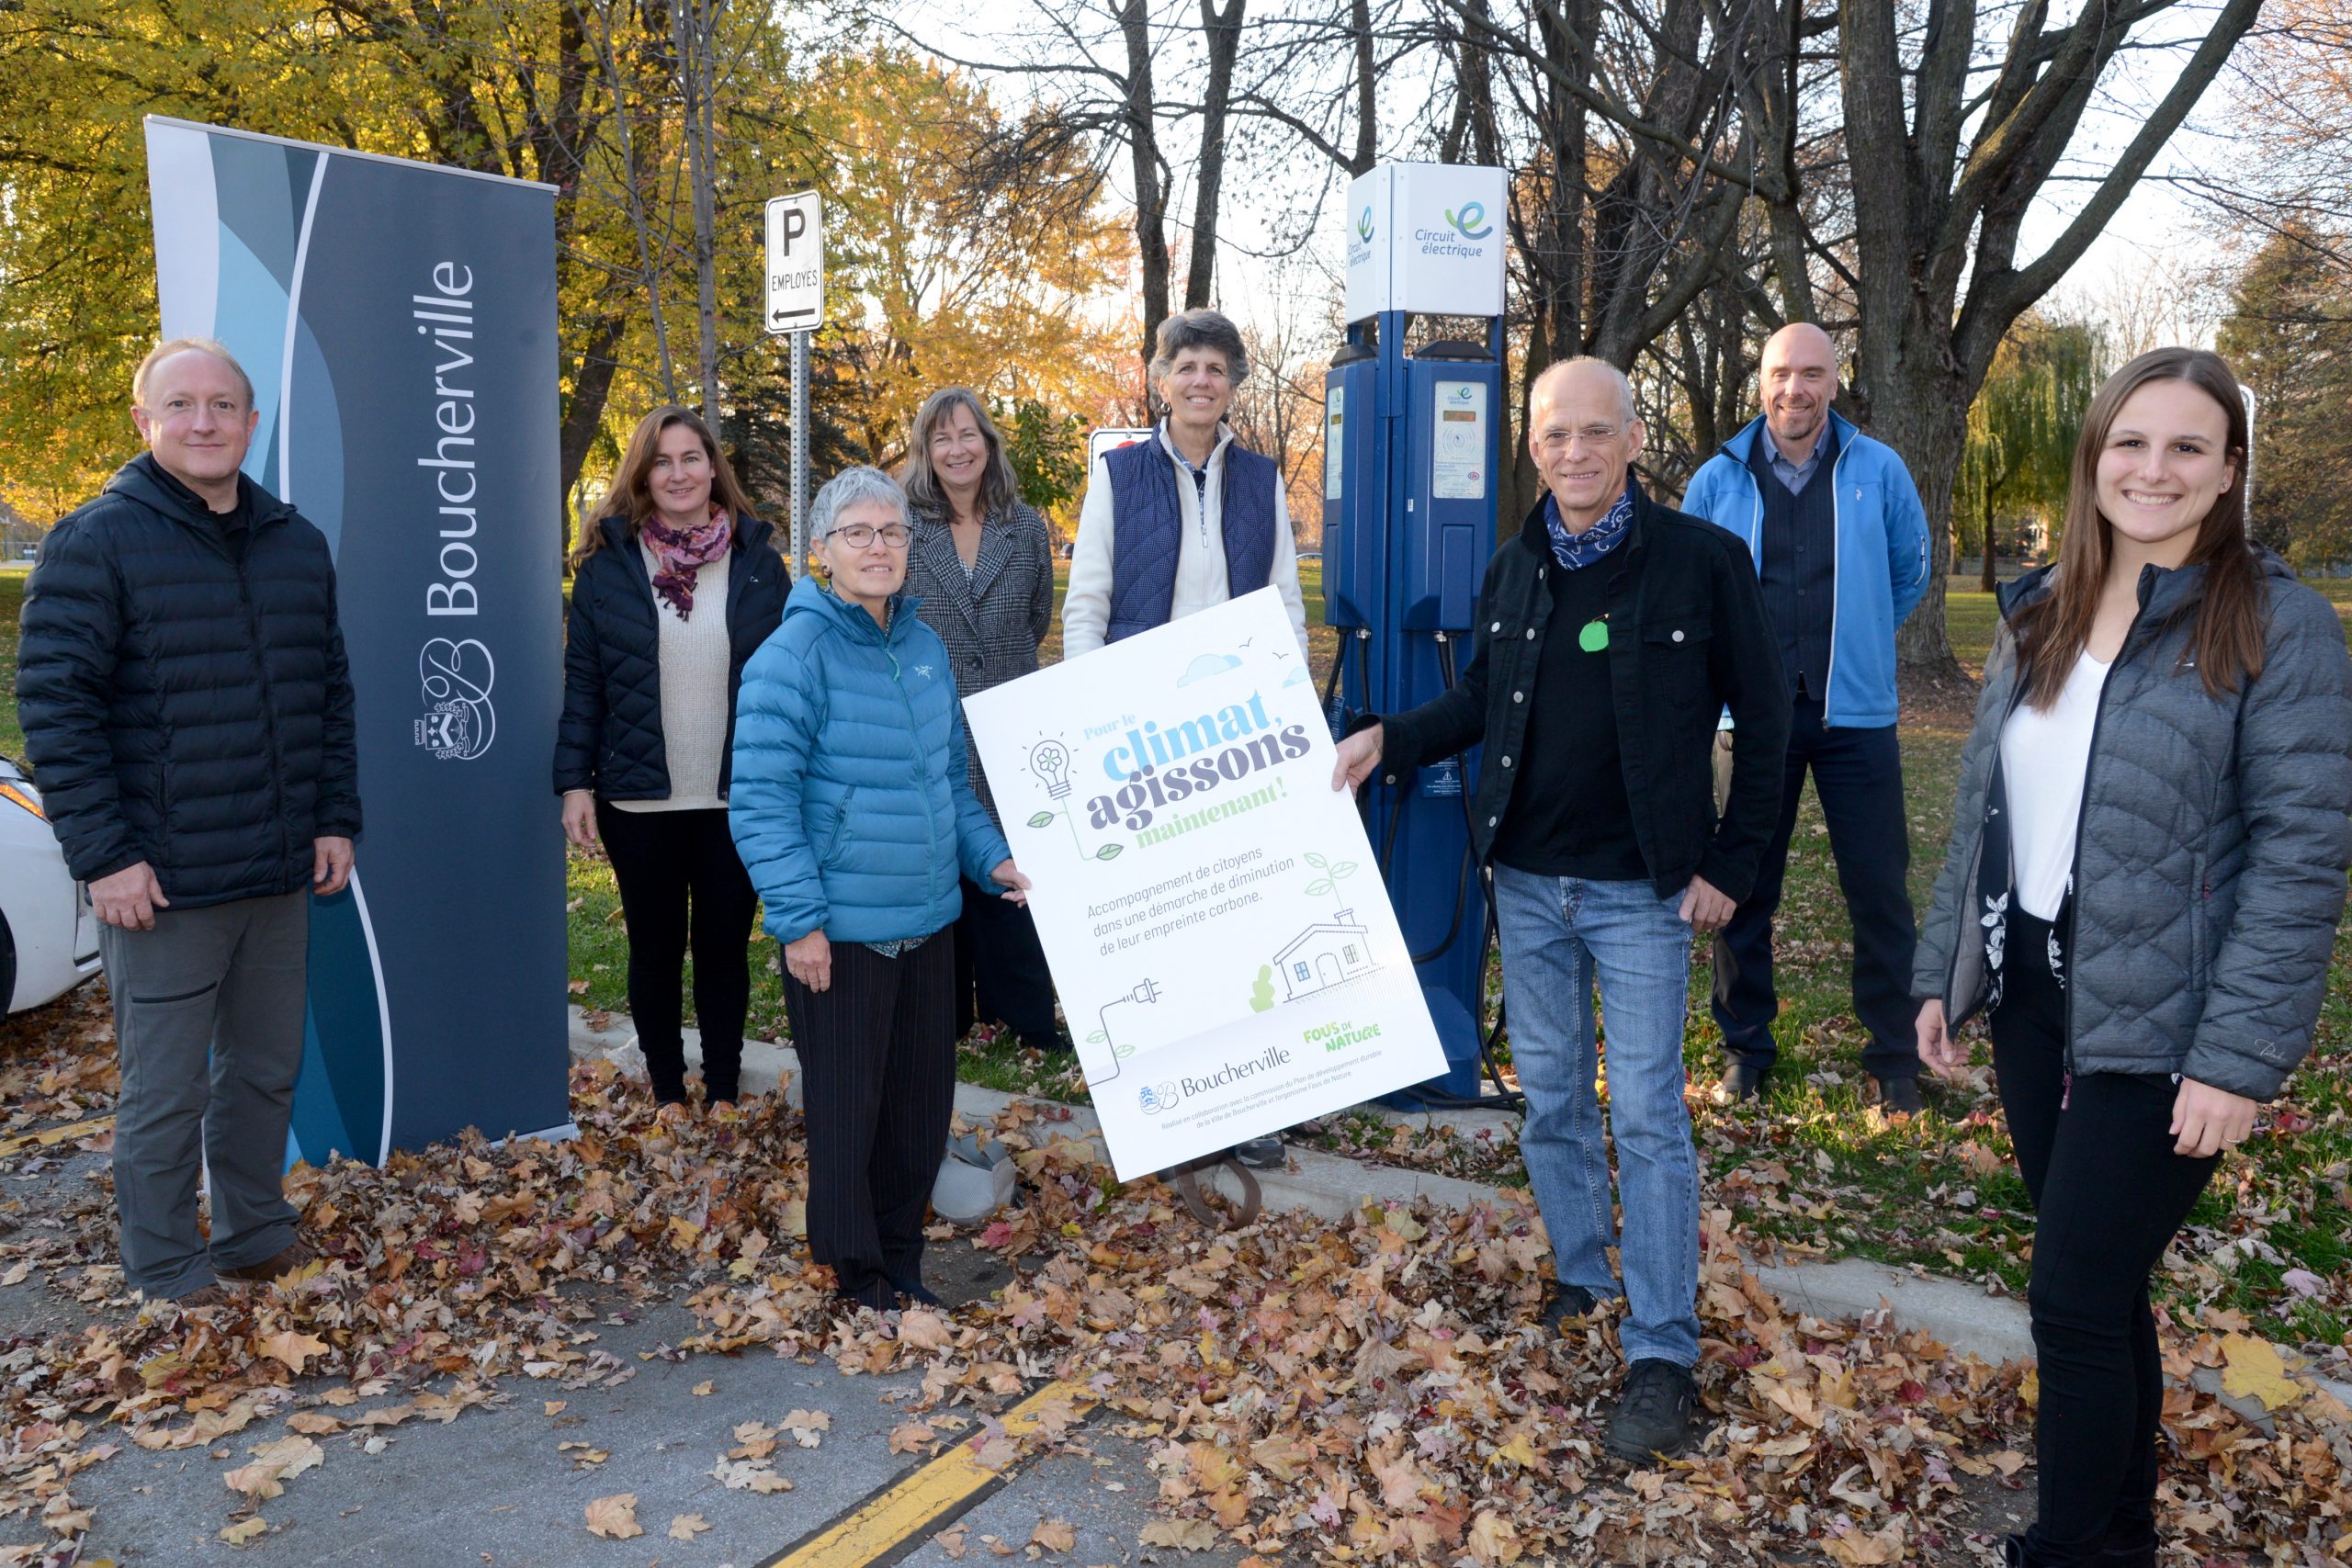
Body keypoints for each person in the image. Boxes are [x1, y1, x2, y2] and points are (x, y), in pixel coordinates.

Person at [1914, 348, 2351, 1568]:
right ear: (2095, 457)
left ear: (2227, 473)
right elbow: (1986, 817)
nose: (2153, 467)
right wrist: (1950, 976)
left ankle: (2069, 1546)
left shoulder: (2276, 622)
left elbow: (2302, 858)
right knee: (2099, 1297)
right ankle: (2118, 1536)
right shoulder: (2041, 608)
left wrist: (2239, 1060)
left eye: (2187, 446)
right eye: (2131, 442)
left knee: (2071, 1298)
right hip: (2039, 996)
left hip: (2171, 1023)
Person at [1332, 358, 1790, 1461]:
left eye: (1595, 433)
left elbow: (1772, 727)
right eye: (1553, 435)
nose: (1573, 453)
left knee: (1645, 1114)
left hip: (1643, 892)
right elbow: (1483, 699)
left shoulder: (1701, 562)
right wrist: (1386, 739)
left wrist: (1730, 867)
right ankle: (1585, 1282)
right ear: (1530, 446)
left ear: (1634, 440)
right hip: (1526, 887)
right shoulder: (1514, 568)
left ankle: (1663, 1351)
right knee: (1551, 1108)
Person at [17, 338, 361, 1309]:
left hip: (276, 871)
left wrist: (334, 815)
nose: (203, 422)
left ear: (252, 424)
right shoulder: (97, 540)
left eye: (223, 405)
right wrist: (106, 856)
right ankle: (166, 1266)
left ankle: (254, 1235)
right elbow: (56, 707)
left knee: (261, 1072)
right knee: (164, 1093)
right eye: (182, 404)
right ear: (145, 421)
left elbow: (327, 693)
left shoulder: (295, 541)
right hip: (158, 884)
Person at [730, 466, 1029, 1312]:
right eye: (857, 533)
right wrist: (799, 922)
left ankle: (901, 1262)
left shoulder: (926, 650)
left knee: (915, 1113)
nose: (878, 547)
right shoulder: (791, 657)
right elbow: (760, 802)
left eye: (892, 532)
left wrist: (992, 861)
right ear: (821, 550)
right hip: (842, 934)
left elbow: (949, 786)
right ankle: (856, 1275)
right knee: (849, 1115)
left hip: (931, 922)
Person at [1062, 307, 1309, 1168]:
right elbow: (1087, 601)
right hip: (1142, 735)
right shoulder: (1119, 477)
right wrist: (1091, 720)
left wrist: (1292, 712)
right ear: (1160, 380)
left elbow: (1285, 601)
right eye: (1186, 367)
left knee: (1242, 917)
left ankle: (1249, 1102)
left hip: (1233, 730)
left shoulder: (1262, 478)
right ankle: (1171, 1108)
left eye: (1216, 368)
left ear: (1234, 383)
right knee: (1163, 927)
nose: (1201, 381)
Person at [1681, 322, 1932, 1111]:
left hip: (1855, 716)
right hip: (1752, 721)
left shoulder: (1878, 469)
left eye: (1812, 373)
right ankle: (1745, 1049)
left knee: (1879, 889)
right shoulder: (1718, 480)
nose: (1796, 388)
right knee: (1743, 887)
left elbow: (1908, 571)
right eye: (1782, 372)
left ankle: (1894, 1059)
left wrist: (1854, 637)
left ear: (1835, 380)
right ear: (1762, 381)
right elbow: (1692, 592)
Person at [557, 406, 786, 1111]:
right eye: (663, 460)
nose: (679, 472)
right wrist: (574, 783)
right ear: (643, 474)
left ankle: (721, 1091)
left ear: (714, 466)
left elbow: (785, 683)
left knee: (723, 951)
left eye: (692, 457)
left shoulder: (757, 561)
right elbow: (586, 682)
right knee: (654, 952)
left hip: (733, 796)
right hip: (639, 800)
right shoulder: (609, 566)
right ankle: (666, 1094)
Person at [900, 388, 1062, 1053]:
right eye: (942, 438)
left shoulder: (1024, 525)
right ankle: (948, 1015)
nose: (957, 448)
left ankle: (1023, 1015)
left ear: (988, 442)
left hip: (1008, 718)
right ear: (926, 451)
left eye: (968, 434)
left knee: (1009, 869)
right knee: (945, 862)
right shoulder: (904, 525)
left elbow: (1037, 614)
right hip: (930, 720)